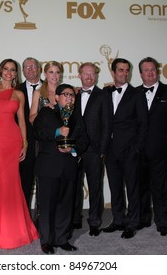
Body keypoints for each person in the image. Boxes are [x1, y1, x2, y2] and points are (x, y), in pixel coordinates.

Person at [0, 58, 38, 249]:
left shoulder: (19, 94)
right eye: (6, 69)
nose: (9, 72)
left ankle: (12, 227)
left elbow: (22, 121)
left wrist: (24, 144)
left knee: (11, 182)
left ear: (17, 74)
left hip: (13, 141)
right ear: (0, 71)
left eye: (13, 70)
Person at [33, 84, 89, 254]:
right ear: (56, 97)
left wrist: (72, 149)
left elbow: (84, 140)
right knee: (47, 207)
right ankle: (47, 241)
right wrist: (57, 131)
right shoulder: (45, 112)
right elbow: (38, 132)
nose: (70, 97)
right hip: (49, 167)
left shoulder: (77, 116)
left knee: (66, 205)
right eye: (65, 94)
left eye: (72, 95)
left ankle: (62, 239)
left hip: (69, 167)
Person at [136, 57, 167, 236]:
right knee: (141, 187)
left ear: (157, 71)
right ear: (140, 73)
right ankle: (143, 219)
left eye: (153, 69)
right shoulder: (134, 93)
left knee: (160, 187)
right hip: (139, 150)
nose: (150, 72)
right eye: (146, 70)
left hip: (162, 149)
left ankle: (162, 222)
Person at [102, 58, 148, 239]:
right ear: (113, 72)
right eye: (120, 70)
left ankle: (132, 223)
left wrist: (136, 148)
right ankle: (118, 220)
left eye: (127, 70)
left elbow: (144, 124)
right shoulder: (106, 92)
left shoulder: (137, 94)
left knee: (132, 188)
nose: (124, 73)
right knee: (115, 187)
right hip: (110, 149)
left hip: (130, 149)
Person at [73, 62, 112, 236]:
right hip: (74, 149)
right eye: (85, 74)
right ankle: (74, 219)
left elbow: (107, 124)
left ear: (96, 76)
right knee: (73, 186)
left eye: (92, 74)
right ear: (79, 75)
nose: (89, 77)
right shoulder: (72, 94)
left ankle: (95, 222)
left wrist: (102, 149)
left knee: (95, 187)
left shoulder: (103, 95)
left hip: (94, 150)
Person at [18, 57, 42, 212]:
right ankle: (25, 218)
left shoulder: (51, 88)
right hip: (24, 144)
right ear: (23, 71)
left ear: (39, 68)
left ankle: (43, 219)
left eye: (33, 66)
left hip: (46, 144)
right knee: (24, 183)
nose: (31, 69)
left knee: (45, 184)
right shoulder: (16, 90)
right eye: (27, 67)